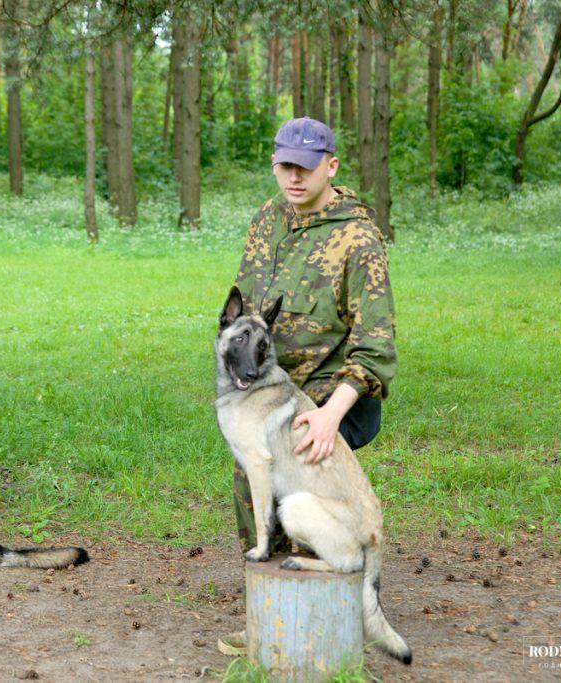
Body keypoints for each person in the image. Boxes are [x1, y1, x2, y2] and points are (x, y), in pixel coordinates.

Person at [217, 117, 397, 655]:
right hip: (266, 386)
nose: (293, 177)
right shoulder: (267, 221)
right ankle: (269, 615)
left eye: (305, 166)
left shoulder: (359, 237)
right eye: (283, 166)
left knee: (298, 491)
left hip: (329, 396)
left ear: (331, 166)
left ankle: (316, 631)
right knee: (250, 482)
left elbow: (376, 346)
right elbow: (247, 310)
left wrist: (328, 415)